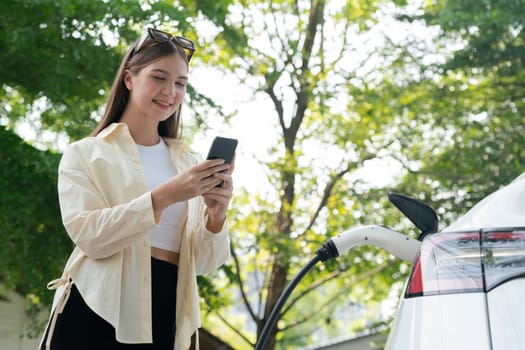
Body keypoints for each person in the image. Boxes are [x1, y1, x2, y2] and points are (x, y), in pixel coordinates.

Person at [39, 27, 234, 350]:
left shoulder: (188, 162)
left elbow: (203, 264)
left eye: (180, 83)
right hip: (96, 306)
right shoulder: (86, 153)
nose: (170, 91)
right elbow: (90, 236)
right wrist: (166, 195)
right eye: (159, 77)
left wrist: (216, 214)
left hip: (167, 309)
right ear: (129, 79)